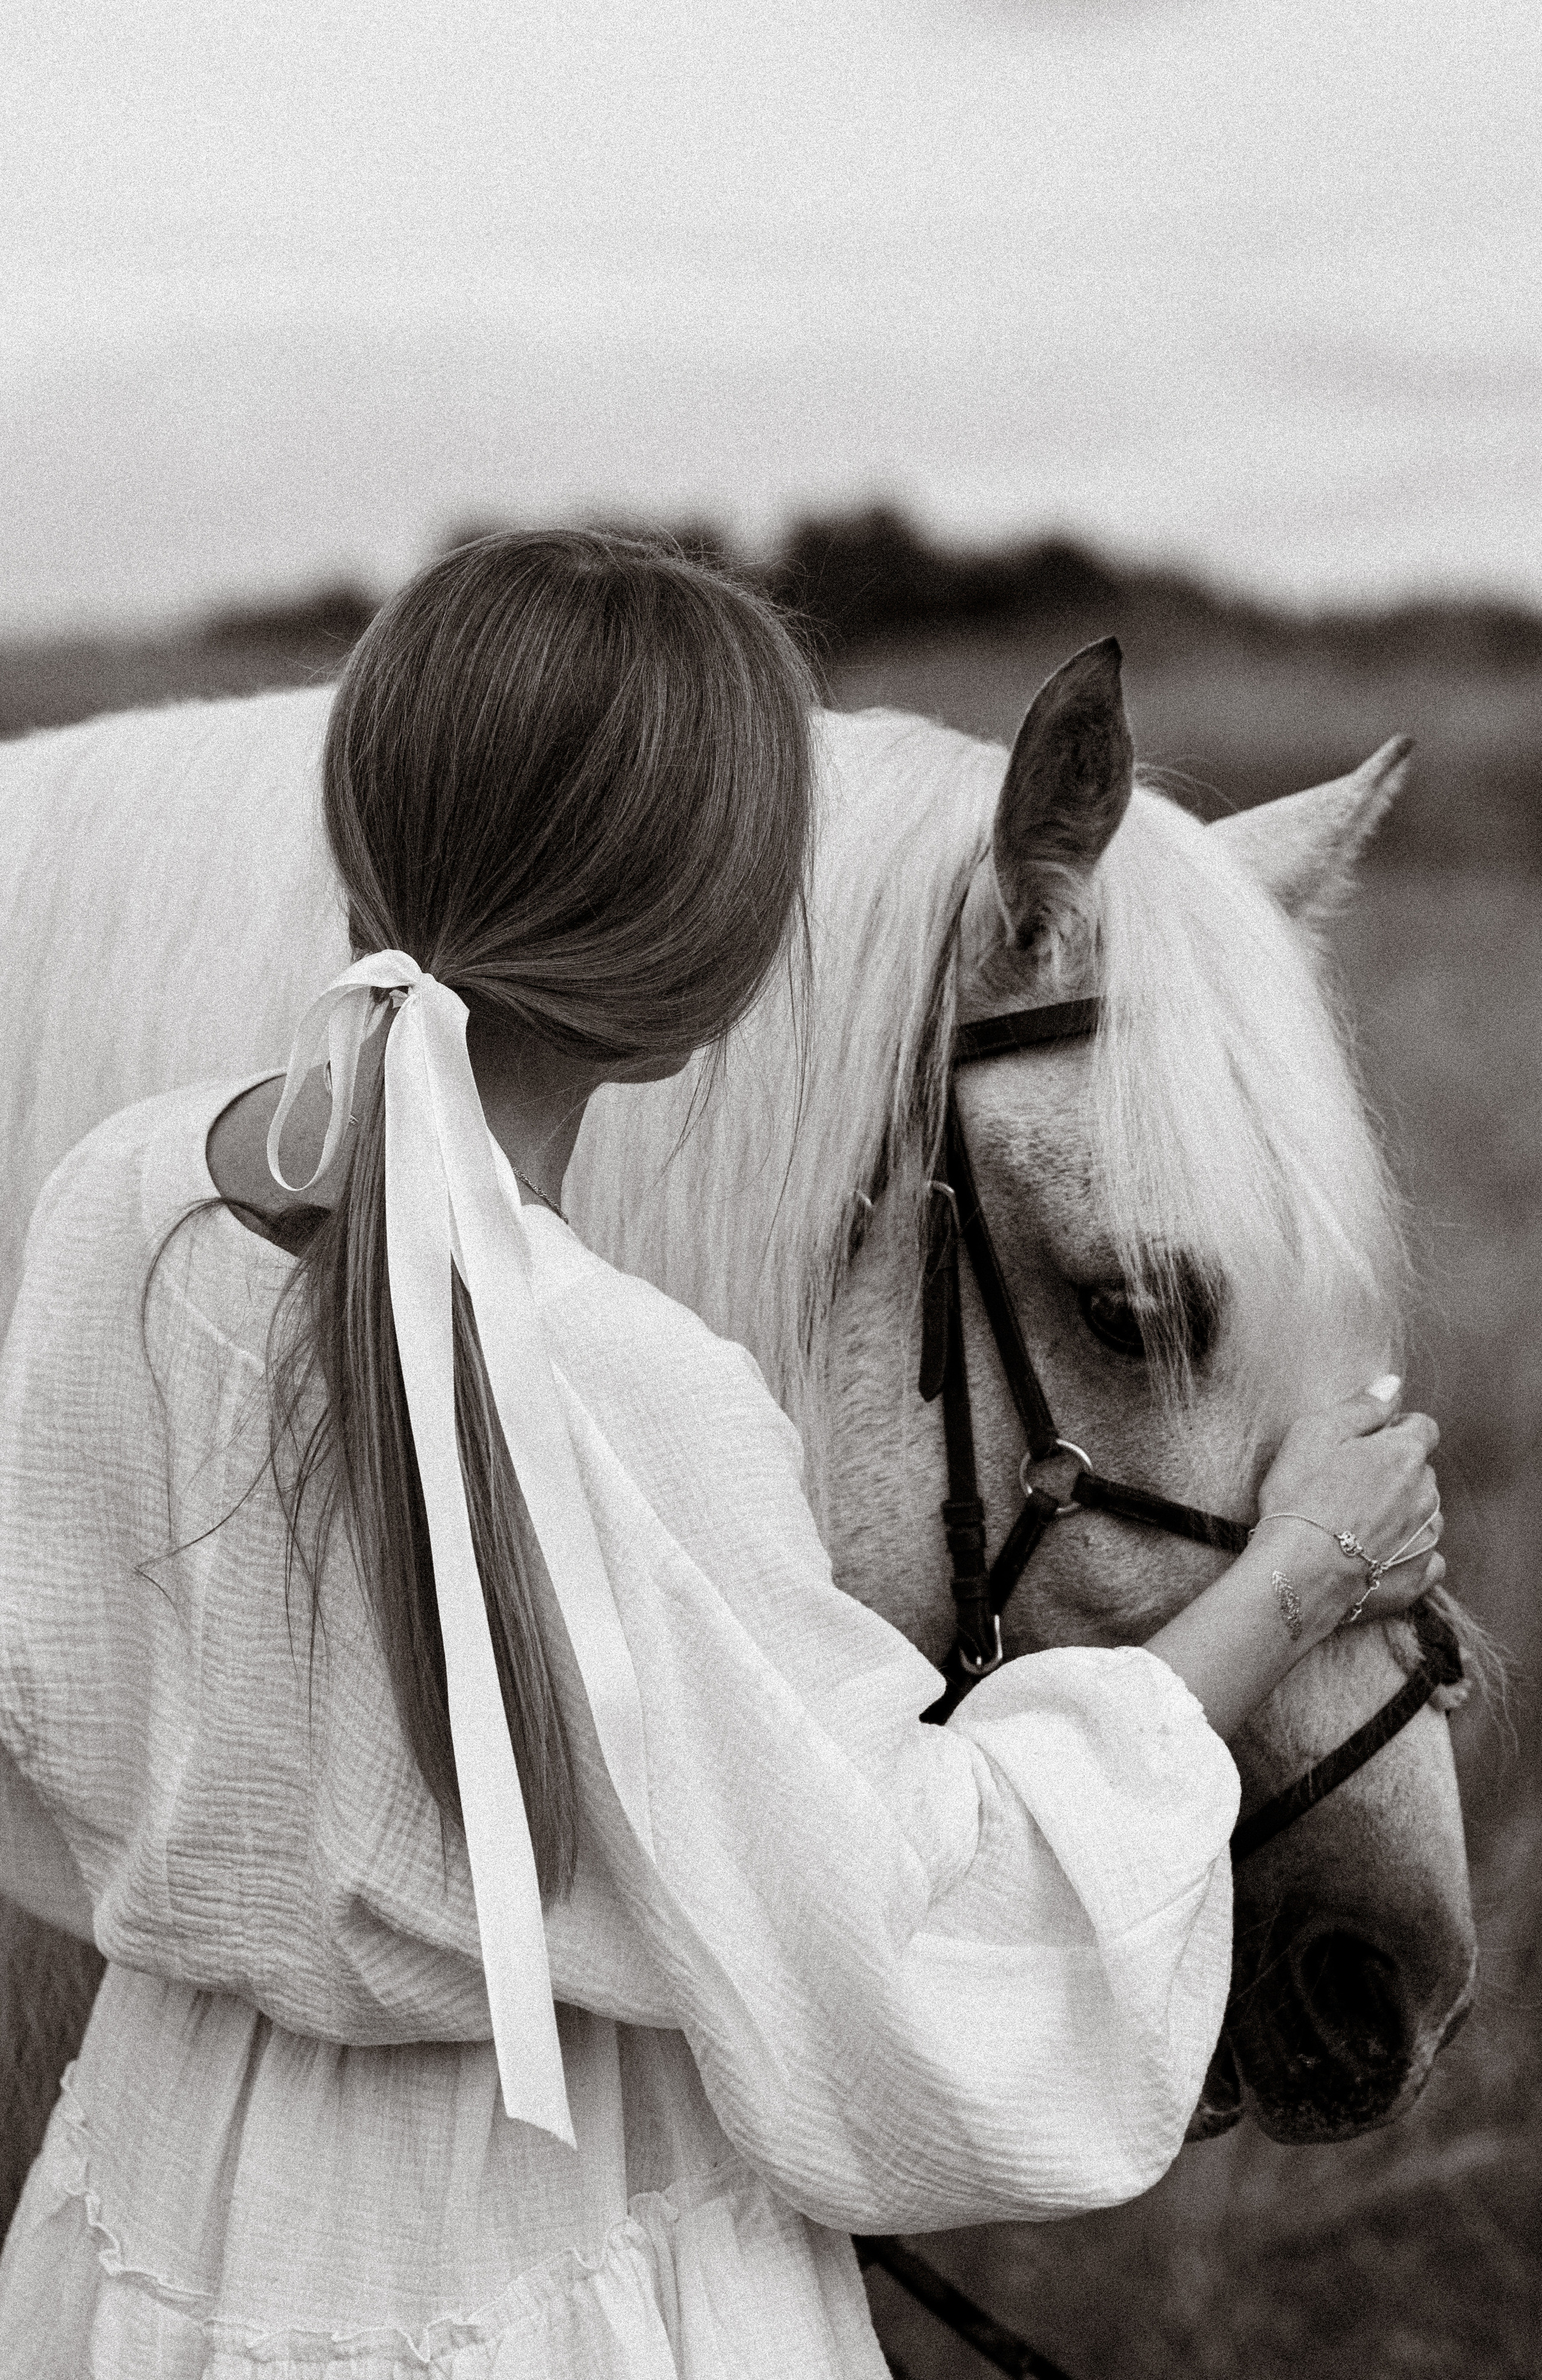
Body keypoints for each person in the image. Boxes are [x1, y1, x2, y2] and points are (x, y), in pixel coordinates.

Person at [0, 532, 1443, 2379]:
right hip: (538, 2265)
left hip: (153, 2215)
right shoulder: (623, 1387)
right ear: (706, 948)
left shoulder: (123, 1199)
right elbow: (910, 1929)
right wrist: (1293, 1583)